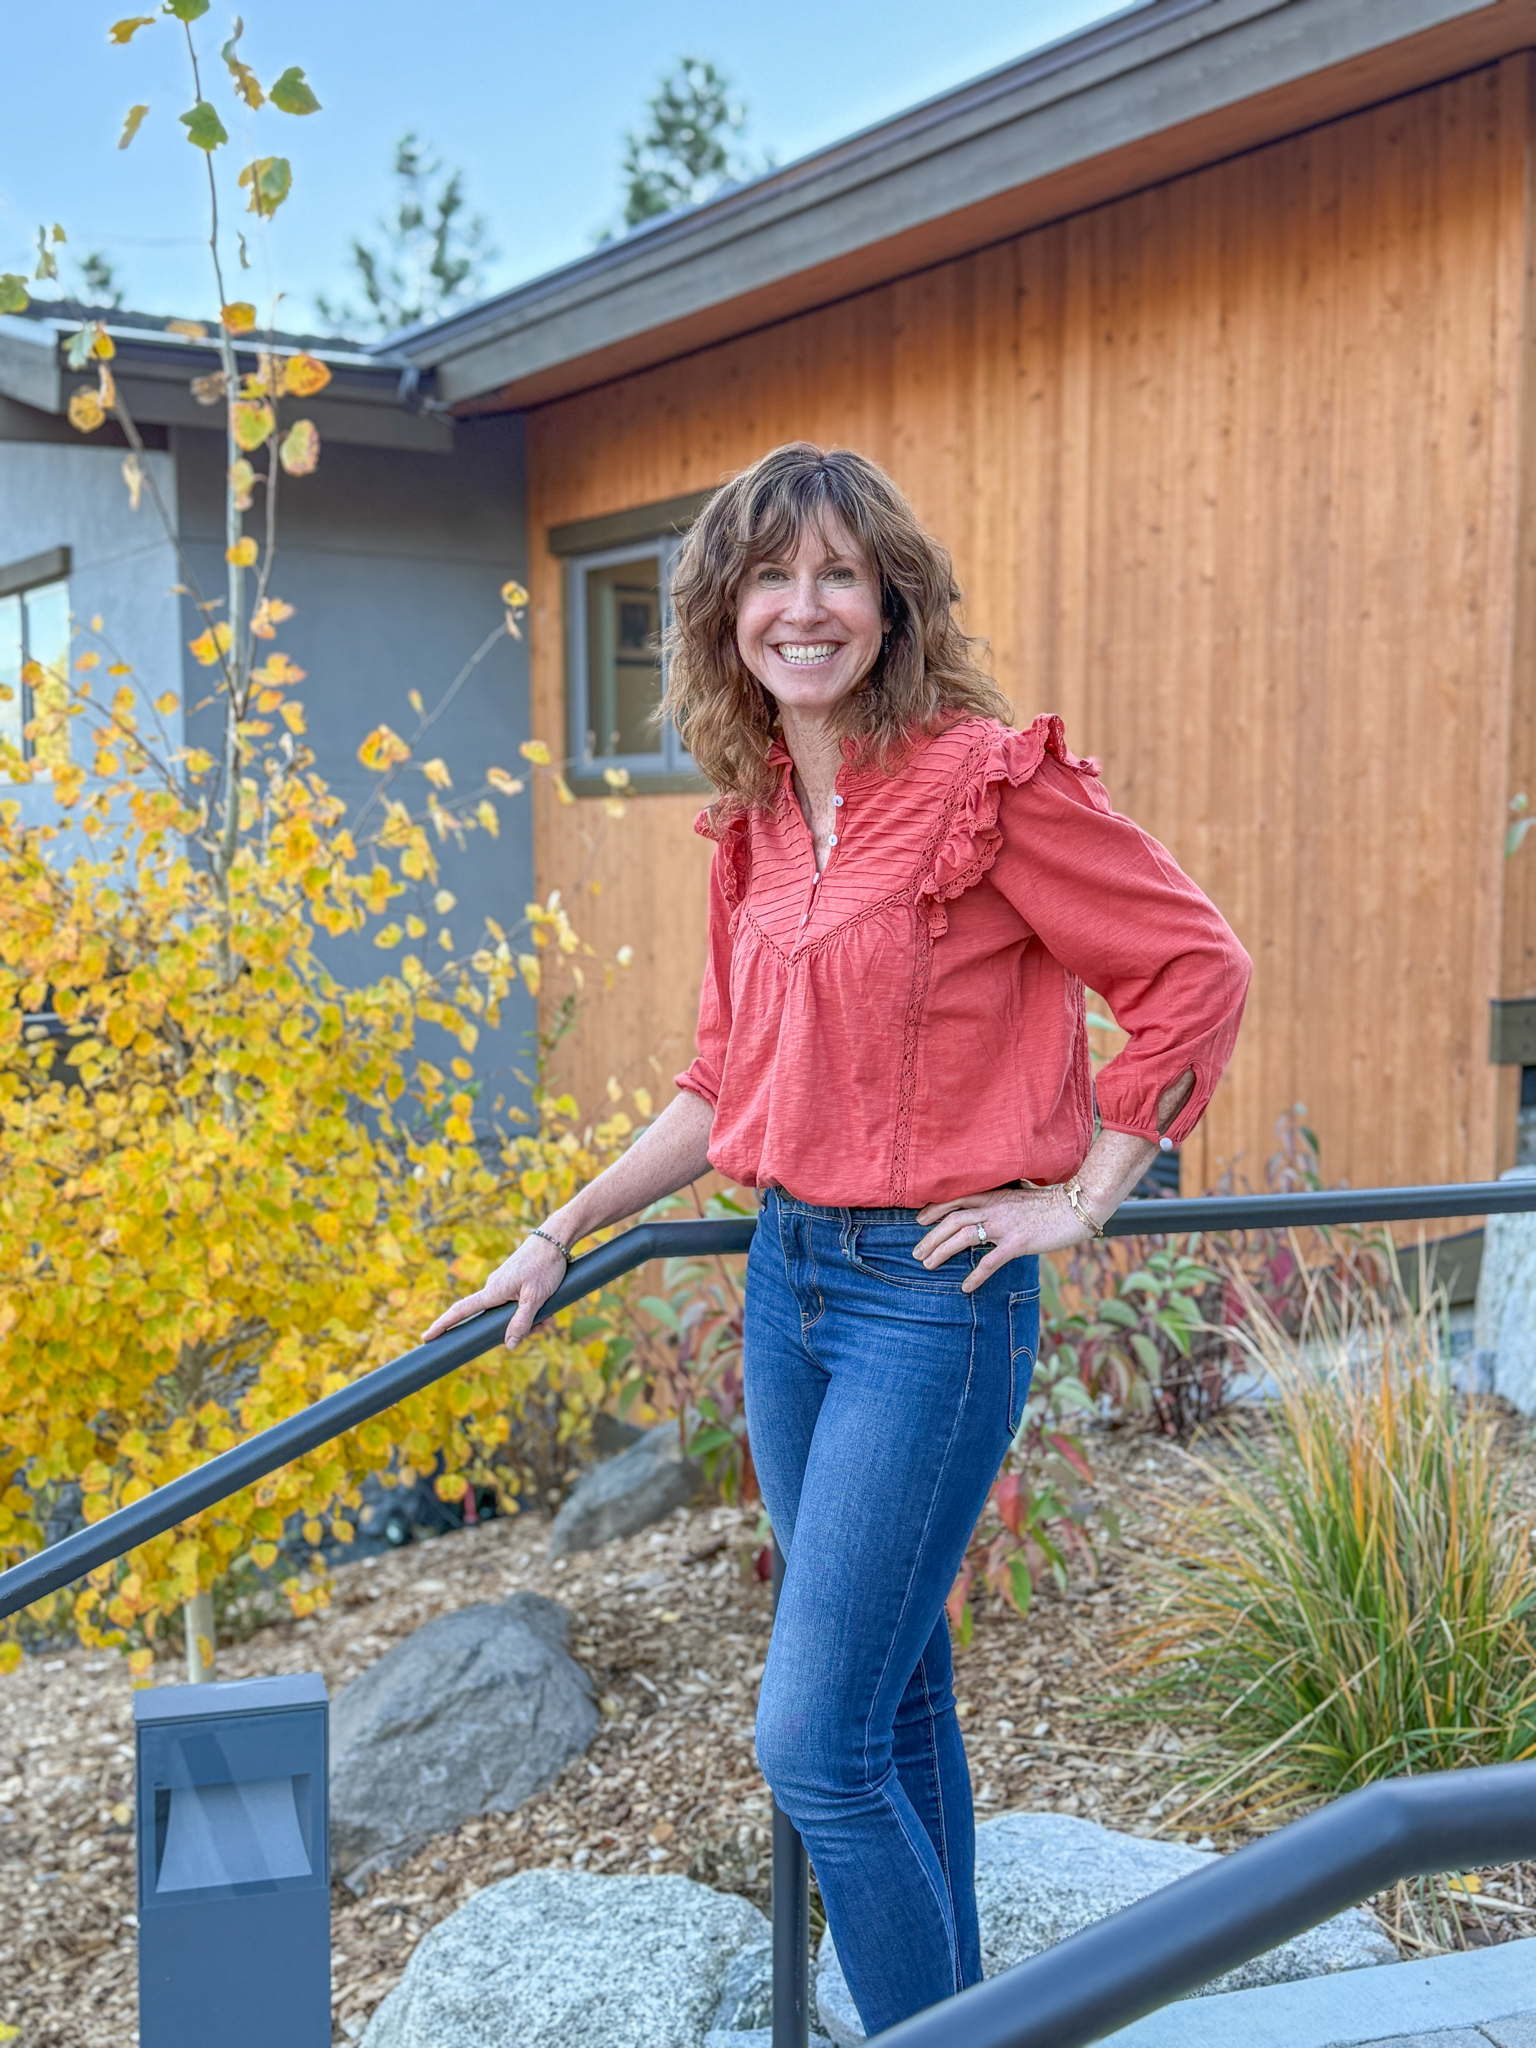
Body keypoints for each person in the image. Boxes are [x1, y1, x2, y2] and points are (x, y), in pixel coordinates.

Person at [424, 443, 1251, 2035]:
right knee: (897, 1693)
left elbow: (1190, 968)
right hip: (789, 1281)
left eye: (838, 576)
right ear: (726, 612)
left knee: (811, 1743)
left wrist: (1083, 1195)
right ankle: (963, 2021)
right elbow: (720, 1080)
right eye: (769, 577)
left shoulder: (986, 783)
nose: (802, 608)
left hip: (928, 1309)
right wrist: (563, 1225)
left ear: (890, 602)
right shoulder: (754, 826)